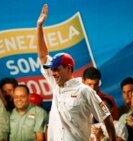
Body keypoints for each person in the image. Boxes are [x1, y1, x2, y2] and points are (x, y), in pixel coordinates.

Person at [36, 4, 116, 141]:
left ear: (69, 68)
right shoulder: (56, 85)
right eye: (52, 69)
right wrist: (39, 27)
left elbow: (107, 118)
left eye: (56, 69)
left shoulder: (85, 91)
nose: (53, 72)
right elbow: (43, 55)